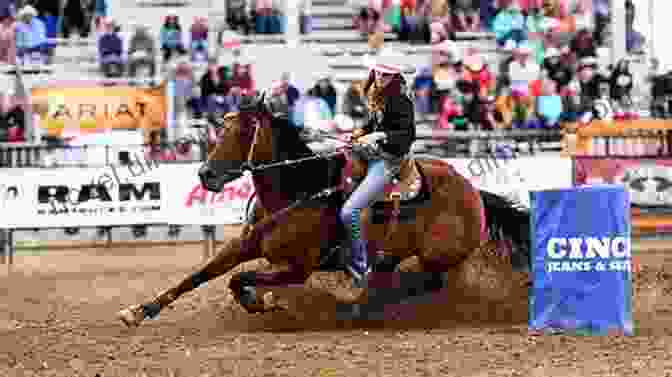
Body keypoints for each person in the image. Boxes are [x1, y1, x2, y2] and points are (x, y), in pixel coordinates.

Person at [340, 50, 415, 285]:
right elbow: (373, 122)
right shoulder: (377, 93)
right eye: (379, 72)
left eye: (387, 74)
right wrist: (360, 133)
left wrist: (378, 136)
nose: (381, 77)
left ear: (395, 77)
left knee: (349, 211)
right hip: (371, 153)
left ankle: (361, 265)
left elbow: (407, 135)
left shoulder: (401, 99)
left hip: (389, 160)